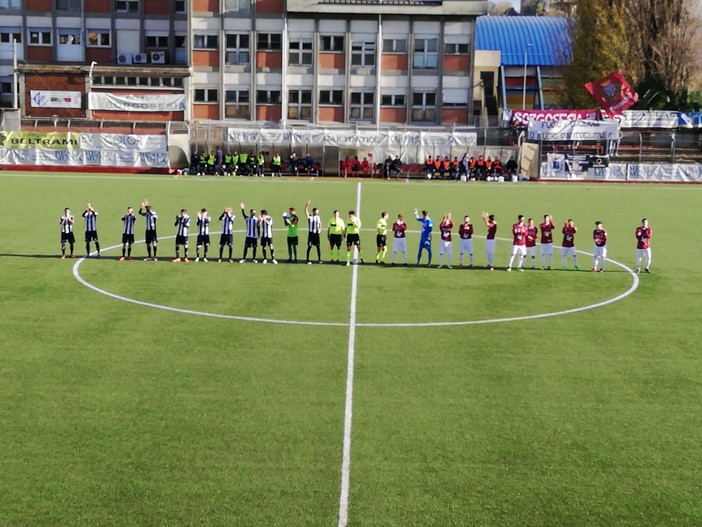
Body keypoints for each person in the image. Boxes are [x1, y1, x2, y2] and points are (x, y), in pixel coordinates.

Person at [304, 199, 323, 264]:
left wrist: (320, 229)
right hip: (311, 234)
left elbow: (320, 224)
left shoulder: (318, 217)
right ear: (314, 212)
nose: (317, 212)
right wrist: (306, 205)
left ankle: (319, 259)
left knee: (318, 247)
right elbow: (306, 211)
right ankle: (307, 260)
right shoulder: (310, 217)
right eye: (316, 211)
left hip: (316, 234)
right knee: (309, 246)